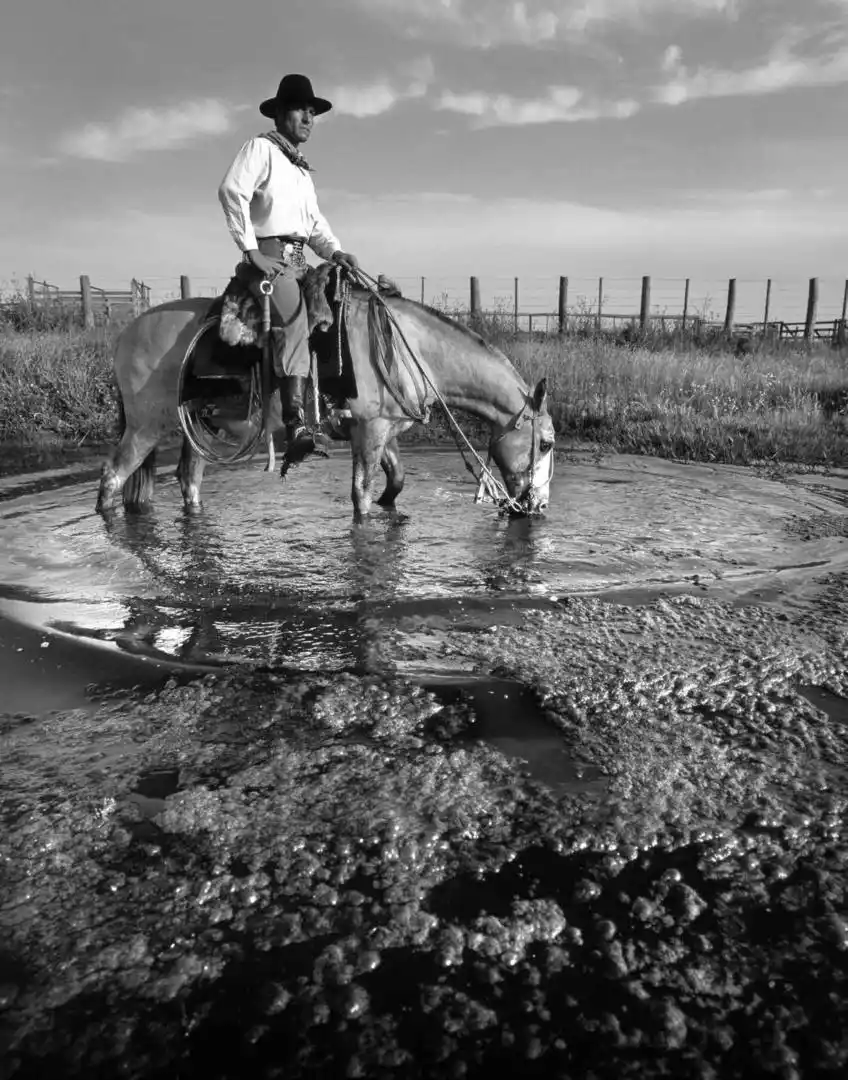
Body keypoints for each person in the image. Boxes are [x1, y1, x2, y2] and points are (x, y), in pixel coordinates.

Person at [218, 73, 360, 459]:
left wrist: (335, 252)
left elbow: (313, 225)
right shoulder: (260, 149)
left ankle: (334, 406)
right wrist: (251, 250)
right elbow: (231, 190)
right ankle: (294, 422)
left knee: (338, 308)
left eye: (312, 112)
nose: (308, 118)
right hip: (269, 258)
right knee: (297, 319)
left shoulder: (300, 169)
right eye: (300, 110)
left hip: (298, 260)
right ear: (280, 114)